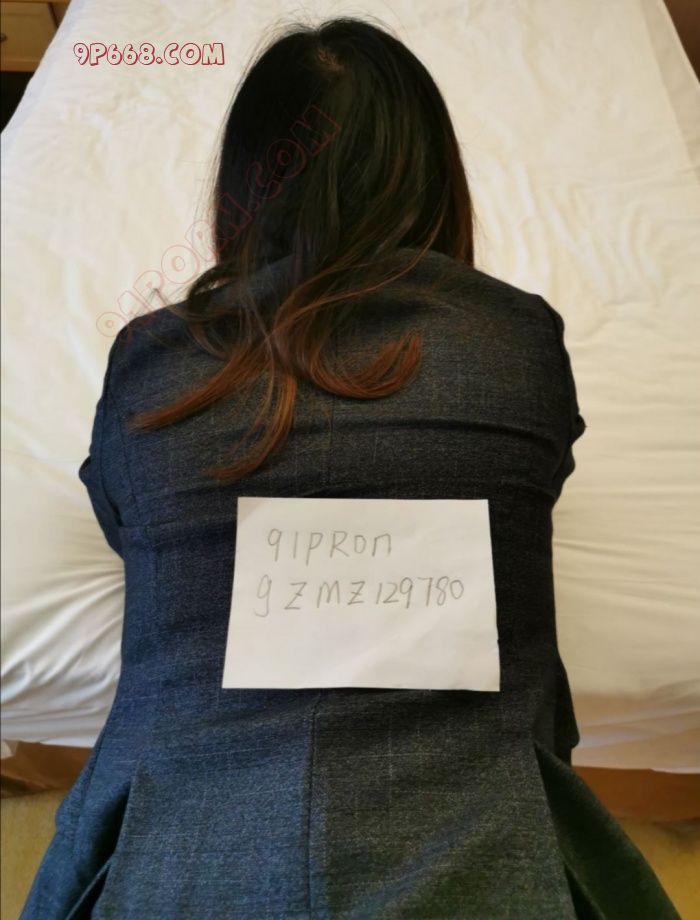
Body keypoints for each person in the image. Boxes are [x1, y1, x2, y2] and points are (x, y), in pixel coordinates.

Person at [21, 15, 680, 920]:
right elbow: (545, 477)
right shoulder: (515, 339)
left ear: (245, 188)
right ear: (434, 175)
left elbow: (121, 519)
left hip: (177, 844)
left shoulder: (155, 358)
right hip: (493, 839)